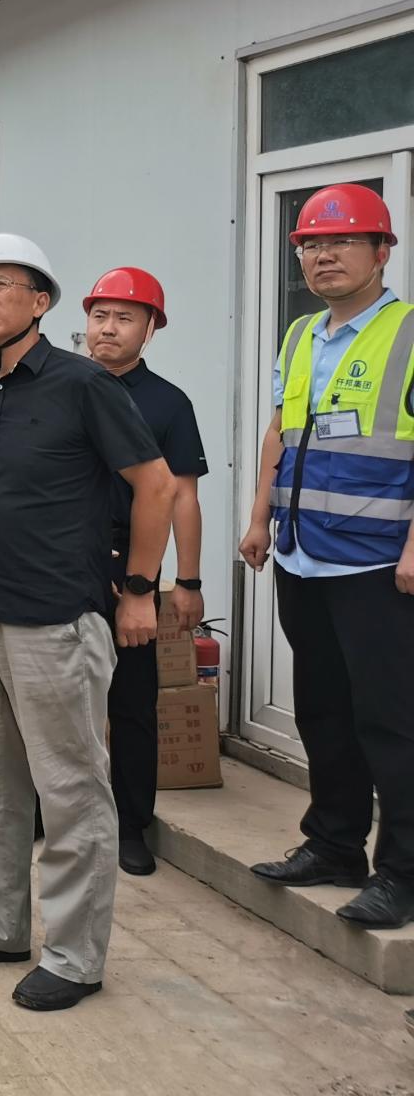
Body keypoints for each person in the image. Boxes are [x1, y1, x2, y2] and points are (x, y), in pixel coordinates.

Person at [0, 234, 171, 1014]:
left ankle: (74, 955)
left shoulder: (83, 384)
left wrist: (139, 591)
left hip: (56, 619)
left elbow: (156, 485)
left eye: (1, 285)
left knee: (69, 791)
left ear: (40, 302)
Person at [239, 183, 414, 932]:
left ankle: (402, 873)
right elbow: (281, 430)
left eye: (342, 241)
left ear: (381, 252)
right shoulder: (301, 335)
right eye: (310, 244)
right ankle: (335, 844)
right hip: (303, 555)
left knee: (391, 722)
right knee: (323, 711)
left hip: (379, 564)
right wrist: (259, 517)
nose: (323, 255)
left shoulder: (408, 333)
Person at [82, 267, 208, 876]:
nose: (108, 328)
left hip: (130, 566)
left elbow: (182, 495)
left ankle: (131, 823)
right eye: (99, 316)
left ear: (151, 328)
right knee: (53, 694)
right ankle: (46, 809)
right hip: (57, 562)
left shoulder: (167, 403)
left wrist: (187, 581)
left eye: (124, 318)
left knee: (131, 699)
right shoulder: (61, 385)